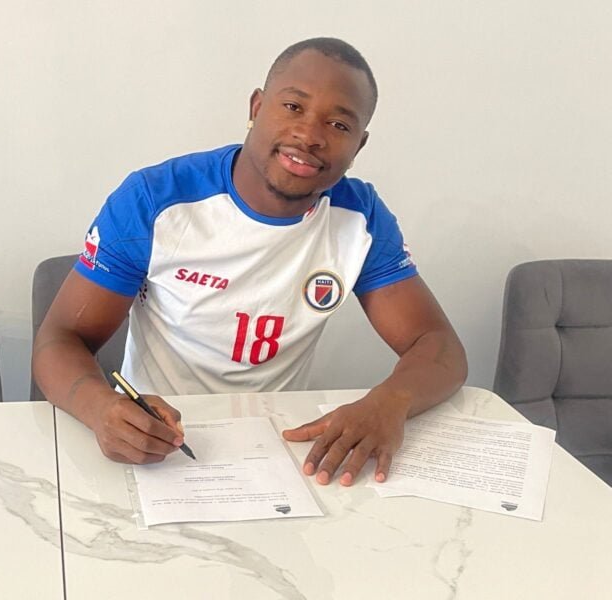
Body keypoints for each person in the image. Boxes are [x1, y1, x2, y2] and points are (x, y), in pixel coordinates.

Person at [33, 37, 467, 487]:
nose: (310, 135)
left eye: (339, 124)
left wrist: (389, 403)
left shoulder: (360, 216)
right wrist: (101, 408)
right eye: (293, 107)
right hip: (160, 443)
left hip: (281, 448)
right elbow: (60, 338)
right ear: (257, 107)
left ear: (359, 145)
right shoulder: (155, 199)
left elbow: (438, 345)